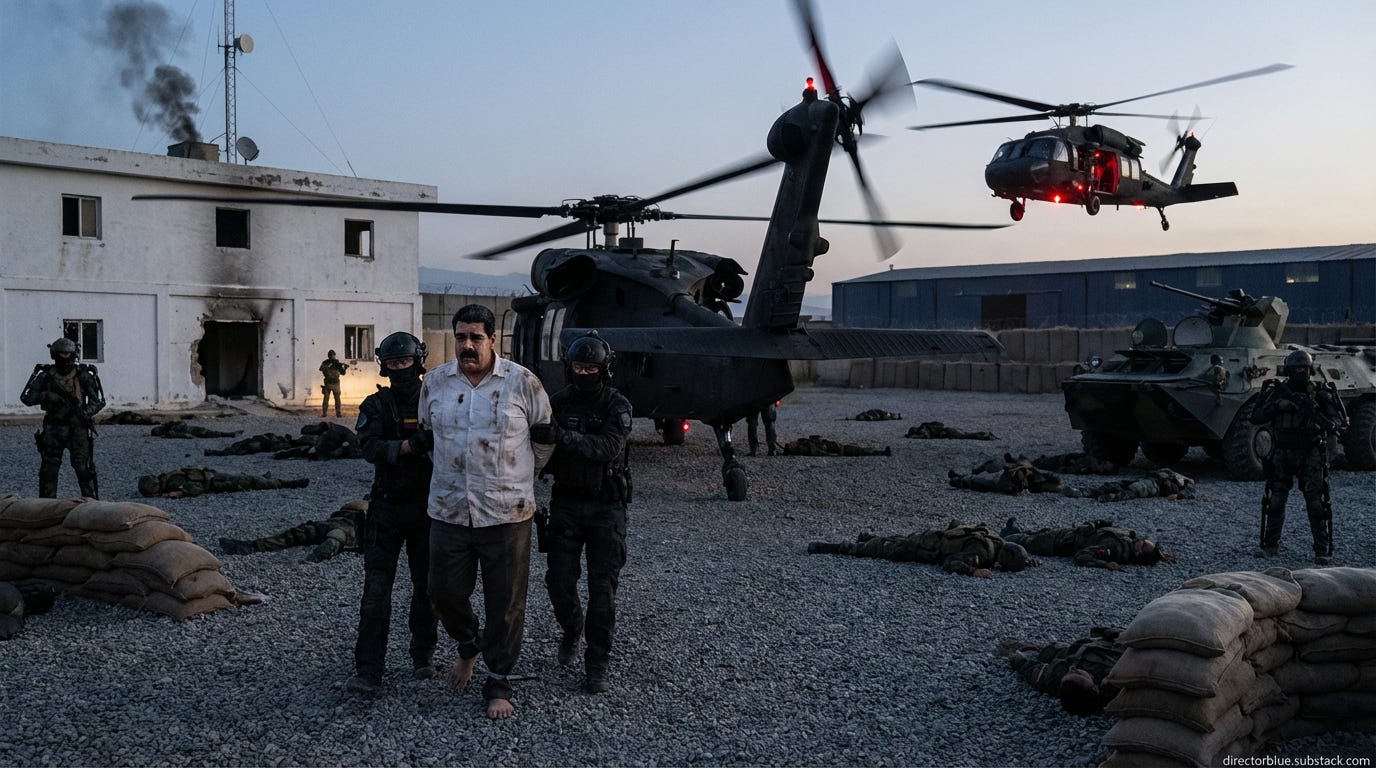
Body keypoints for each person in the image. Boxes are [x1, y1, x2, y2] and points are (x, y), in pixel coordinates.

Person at [420, 304, 552, 720]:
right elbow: (429, 436)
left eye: (476, 337)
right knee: (442, 592)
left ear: (493, 339)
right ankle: (468, 644)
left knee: (506, 602)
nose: (467, 345)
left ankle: (498, 681)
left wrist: (518, 477)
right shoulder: (437, 383)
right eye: (461, 337)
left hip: (507, 512)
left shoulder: (522, 383)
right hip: (449, 508)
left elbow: (544, 440)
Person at [531, 331, 633, 694]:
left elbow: (607, 447)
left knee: (602, 591)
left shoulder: (617, 406)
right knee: (558, 582)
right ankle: (572, 628)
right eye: (578, 366)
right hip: (567, 503)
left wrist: (565, 437)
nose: (584, 373)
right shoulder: (557, 402)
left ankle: (597, 664)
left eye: (591, 367)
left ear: (604, 369)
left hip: (607, 506)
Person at [345, 331, 440, 696]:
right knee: (376, 593)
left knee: (427, 589)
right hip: (386, 507)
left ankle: (423, 657)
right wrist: (406, 446)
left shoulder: (434, 402)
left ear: (418, 362)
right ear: (384, 366)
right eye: (394, 363)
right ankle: (369, 670)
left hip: (426, 509)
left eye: (406, 361)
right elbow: (368, 447)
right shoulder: (374, 405)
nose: (401, 368)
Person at [1249, 350, 1349, 563]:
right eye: (1296, 368)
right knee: (1275, 502)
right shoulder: (1277, 392)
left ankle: (1321, 549)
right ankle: (1270, 546)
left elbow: (1339, 422)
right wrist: (1278, 406)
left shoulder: (1320, 393)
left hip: (1310, 451)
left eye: (1303, 368)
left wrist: (1325, 422)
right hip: (1282, 451)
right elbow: (1256, 417)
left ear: (1310, 369)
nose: (1299, 372)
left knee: (1316, 503)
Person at [20, 337, 106, 498]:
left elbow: (98, 402)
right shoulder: (45, 376)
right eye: (61, 354)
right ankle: (47, 507)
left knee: (83, 470)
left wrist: (84, 413)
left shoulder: (83, 376)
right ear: (54, 356)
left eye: (68, 354)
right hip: (54, 427)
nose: (65, 359)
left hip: (78, 427)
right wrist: (46, 396)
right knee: (49, 471)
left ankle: (91, 507)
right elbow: (27, 398)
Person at [808, 520, 1035, 578]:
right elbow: (951, 563)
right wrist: (973, 571)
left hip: (932, 537)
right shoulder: (983, 553)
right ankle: (827, 547)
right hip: (924, 548)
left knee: (892, 541)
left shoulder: (995, 539)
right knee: (875, 549)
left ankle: (869, 536)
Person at [998, 627, 1124, 715]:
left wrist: (1016, 658)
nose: (1073, 669)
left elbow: (1030, 670)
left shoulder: (1058, 679)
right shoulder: (1115, 679)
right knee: (1053, 651)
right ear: (1095, 687)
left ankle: (1033, 648)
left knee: (1050, 652)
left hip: (1073, 654)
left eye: (1072, 673)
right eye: (1079, 674)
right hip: (1092, 650)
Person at [219, 500, 368, 562]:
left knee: (300, 535)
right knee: (298, 534)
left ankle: (253, 546)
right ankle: (252, 546)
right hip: (342, 522)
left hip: (345, 523)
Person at [1001, 518, 1174, 569]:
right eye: (1144, 540)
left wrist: (1104, 564)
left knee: (1027, 541)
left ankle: (1004, 536)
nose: (1140, 540)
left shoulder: (1112, 549)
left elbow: (1081, 556)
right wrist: (1159, 556)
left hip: (1060, 542)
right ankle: (1011, 530)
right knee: (1037, 533)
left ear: (1137, 554)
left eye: (1143, 545)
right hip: (1071, 533)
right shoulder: (1129, 538)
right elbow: (1108, 523)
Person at [136, 467, 309, 497]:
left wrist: (181, 493)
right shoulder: (167, 478)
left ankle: (287, 483)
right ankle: (264, 479)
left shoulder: (173, 483)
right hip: (213, 477)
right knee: (247, 480)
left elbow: (196, 488)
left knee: (248, 481)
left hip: (215, 482)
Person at [947, 456, 1070, 495]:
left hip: (1010, 482)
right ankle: (961, 478)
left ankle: (960, 479)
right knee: (986, 479)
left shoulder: (1047, 486)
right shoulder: (1051, 480)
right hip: (1015, 476)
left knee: (983, 483)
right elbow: (1035, 473)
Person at [1069, 468, 1196, 502]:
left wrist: (1178, 496)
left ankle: (1104, 498)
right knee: (1115, 484)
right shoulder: (1170, 472)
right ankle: (1084, 492)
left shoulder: (1184, 483)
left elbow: (1189, 492)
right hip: (1147, 481)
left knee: (1132, 491)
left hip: (1155, 487)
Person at [783, 435, 891, 457]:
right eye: (791, 445)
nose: (792, 442)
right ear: (793, 448)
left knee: (859, 449)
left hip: (837, 447)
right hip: (839, 450)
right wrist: (831, 455)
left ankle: (878, 452)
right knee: (860, 451)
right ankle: (881, 453)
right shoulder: (805, 448)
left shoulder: (803, 443)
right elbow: (818, 452)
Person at [204, 433, 298, 456]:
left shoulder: (282, 444)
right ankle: (215, 452)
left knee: (238, 450)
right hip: (255, 441)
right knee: (236, 448)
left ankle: (214, 452)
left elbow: (270, 447)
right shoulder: (276, 437)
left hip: (258, 444)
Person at [319, 350, 349, 417]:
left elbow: (343, 373)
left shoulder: (337, 363)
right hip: (328, 383)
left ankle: (338, 412)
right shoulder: (326, 363)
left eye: (332, 355)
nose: (332, 356)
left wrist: (344, 368)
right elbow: (322, 370)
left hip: (335, 383)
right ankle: (325, 412)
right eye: (331, 355)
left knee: (337, 398)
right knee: (326, 398)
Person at [905, 421, 998, 440]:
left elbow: (926, 436)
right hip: (949, 430)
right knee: (967, 434)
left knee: (966, 436)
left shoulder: (924, 429)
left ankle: (986, 436)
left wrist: (913, 437)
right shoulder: (926, 425)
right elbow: (940, 423)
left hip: (948, 432)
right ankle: (986, 434)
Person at [150, 421, 242, 439]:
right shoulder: (171, 432)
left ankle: (229, 434)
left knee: (210, 432)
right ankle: (229, 434)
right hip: (193, 431)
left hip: (193, 429)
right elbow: (182, 425)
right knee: (212, 433)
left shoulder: (170, 429)